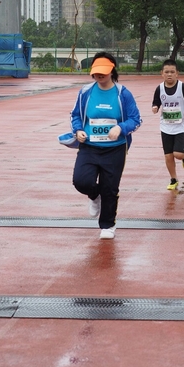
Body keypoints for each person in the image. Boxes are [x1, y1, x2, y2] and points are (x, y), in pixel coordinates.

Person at [71, 52, 141, 240]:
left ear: (112, 71)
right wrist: (78, 130)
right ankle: (95, 195)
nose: (99, 75)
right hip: (89, 147)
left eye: (103, 72)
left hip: (115, 149)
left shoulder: (123, 94)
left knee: (110, 187)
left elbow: (136, 119)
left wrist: (121, 128)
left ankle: (108, 224)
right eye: (96, 72)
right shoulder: (85, 92)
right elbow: (76, 115)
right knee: (81, 181)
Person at [152, 58, 184, 190]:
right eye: (166, 72)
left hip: (180, 126)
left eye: (172, 72)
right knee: (168, 156)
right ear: (162, 73)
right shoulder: (159, 88)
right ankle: (173, 179)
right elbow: (156, 101)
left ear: (177, 73)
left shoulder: (182, 87)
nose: (169, 74)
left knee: (177, 154)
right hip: (165, 126)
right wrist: (155, 107)